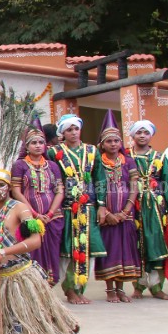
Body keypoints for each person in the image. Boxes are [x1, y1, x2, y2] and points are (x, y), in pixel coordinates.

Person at [0, 166, 79, 334]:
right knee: (0, 329)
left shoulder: (20, 208)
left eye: (0, 185)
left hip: (21, 275)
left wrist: (2, 252)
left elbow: (35, 241)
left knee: (31, 329)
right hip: (1, 279)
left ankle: (58, 320)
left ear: (9, 186)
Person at [50, 113, 106, 304]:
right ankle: (69, 290)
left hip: (88, 207)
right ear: (62, 133)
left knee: (87, 248)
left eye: (76, 128)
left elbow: (100, 178)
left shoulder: (92, 151)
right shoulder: (54, 152)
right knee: (68, 249)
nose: (73, 133)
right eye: (69, 130)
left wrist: (102, 205)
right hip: (66, 208)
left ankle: (80, 287)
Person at [93, 114, 141, 303]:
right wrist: (105, 211)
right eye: (109, 141)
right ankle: (110, 290)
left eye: (116, 141)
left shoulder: (128, 161)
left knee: (124, 249)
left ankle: (121, 289)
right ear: (102, 144)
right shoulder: (98, 162)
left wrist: (125, 211)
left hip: (125, 213)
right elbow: (96, 185)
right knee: (109, 249)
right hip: (106, 213)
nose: (113, 144)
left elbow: (134, 186)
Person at [127, 121, 168, 300]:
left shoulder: (160, 157)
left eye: (146, 132)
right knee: (136, 245)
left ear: (151, 136)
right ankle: (138, 286)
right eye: (138, 132)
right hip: (132, 206)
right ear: (132, 135)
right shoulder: (125, 157)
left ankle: (157, 287)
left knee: (156, 245)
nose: (142, 135)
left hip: (156, 209)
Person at [11, 121, 64, 286]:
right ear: (26, 146)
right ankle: (34, 287)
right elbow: (16, 191)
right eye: (33, 142)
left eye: (41, 142)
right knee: (32, 252)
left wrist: (48, 214)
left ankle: (49, 288)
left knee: (52, 253)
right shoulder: (20, 165)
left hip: (52, 217)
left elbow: (59, 191)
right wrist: (34, 214)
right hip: (29, 216)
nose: (38, 145)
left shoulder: (53, 166)